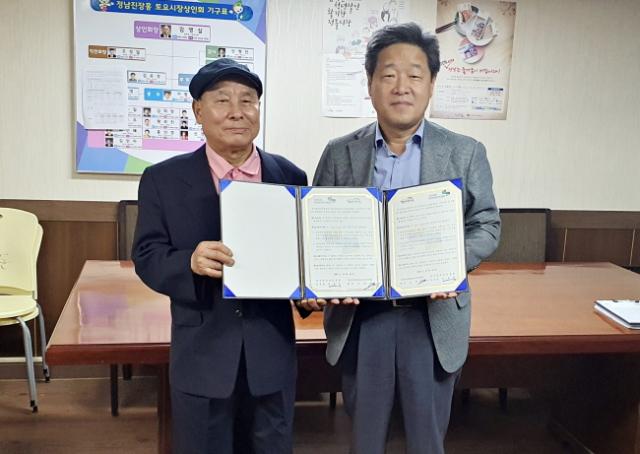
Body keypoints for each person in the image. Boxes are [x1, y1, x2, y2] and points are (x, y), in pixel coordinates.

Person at [312, 23, 501, 454]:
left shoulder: (465, 152)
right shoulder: (340, 152)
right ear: (370, 84)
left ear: (431, 84)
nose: (402, 86)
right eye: (388, 74)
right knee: (365, 441)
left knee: (426, 441)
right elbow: (320, 228)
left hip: (431, 317)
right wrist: (326, 279)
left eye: (415, 75)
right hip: (363, 317)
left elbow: (486, 224)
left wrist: (451, 261)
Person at [132, 58, 310, 454]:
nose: (236, 111)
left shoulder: (291, 177)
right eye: (222, 100)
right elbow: (147, 254)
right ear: (198, 111)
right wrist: (188, 262)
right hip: (202, 352)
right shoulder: (162, 179)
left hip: (271, 353)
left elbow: (303, 256)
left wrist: (310, 293)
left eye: (248, 100)